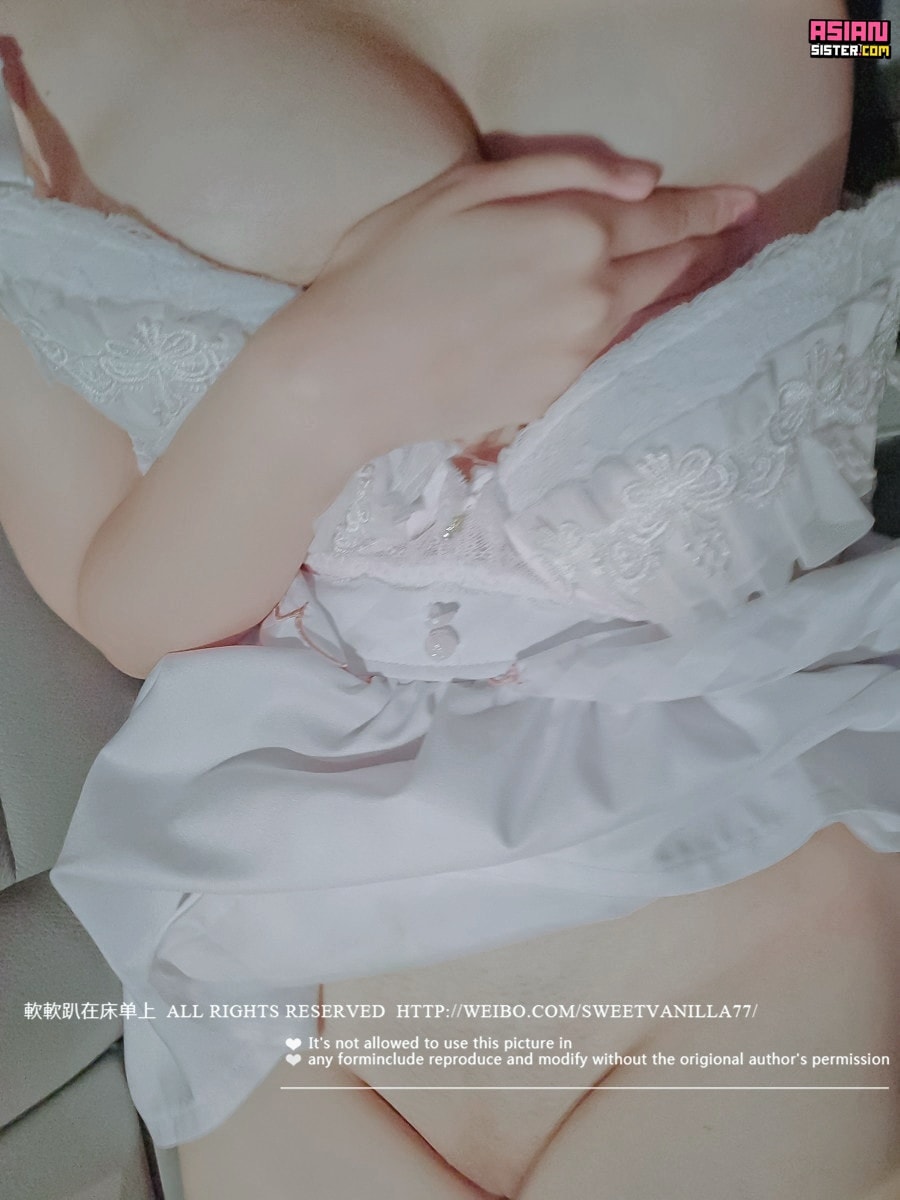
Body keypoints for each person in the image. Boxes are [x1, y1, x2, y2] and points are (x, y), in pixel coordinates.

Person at [0, 1, 899, 1197]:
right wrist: (312, 393)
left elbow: (860, 40)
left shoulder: (844, 23)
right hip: (296, 934)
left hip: (782, 853)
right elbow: (114, 602)